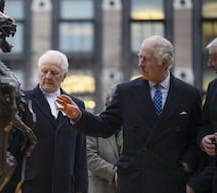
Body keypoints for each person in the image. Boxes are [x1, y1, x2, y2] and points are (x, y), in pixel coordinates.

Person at [57, 35, 202, 193]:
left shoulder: (189, 95)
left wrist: (188, 163)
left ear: (164, 62)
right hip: (134, 181)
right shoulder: (126, 91)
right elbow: (105, 126)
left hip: (171, 181)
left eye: (146, 59)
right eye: (139, 57)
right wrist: (79, 116)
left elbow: (195, 136)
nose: (140, 64)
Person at [22, 50, 88, 193]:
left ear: (64, 76)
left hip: (65, 185)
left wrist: (81, 189)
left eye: (54, 72)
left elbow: (80, 152)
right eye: (44, 71)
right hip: (31, 185)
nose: (48, 77)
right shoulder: (23, 101)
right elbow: (15, 146)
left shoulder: (77, 106)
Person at [186, 37, 217, 193]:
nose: (209, 64)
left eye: (214, 59)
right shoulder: (213, 87)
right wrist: (204, 140)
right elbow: (204, 124)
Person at [87, 87, 121, 193]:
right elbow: (88, 154)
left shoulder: (134, 125)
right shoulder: (95, 123)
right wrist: (113, 172)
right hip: (101, 187)